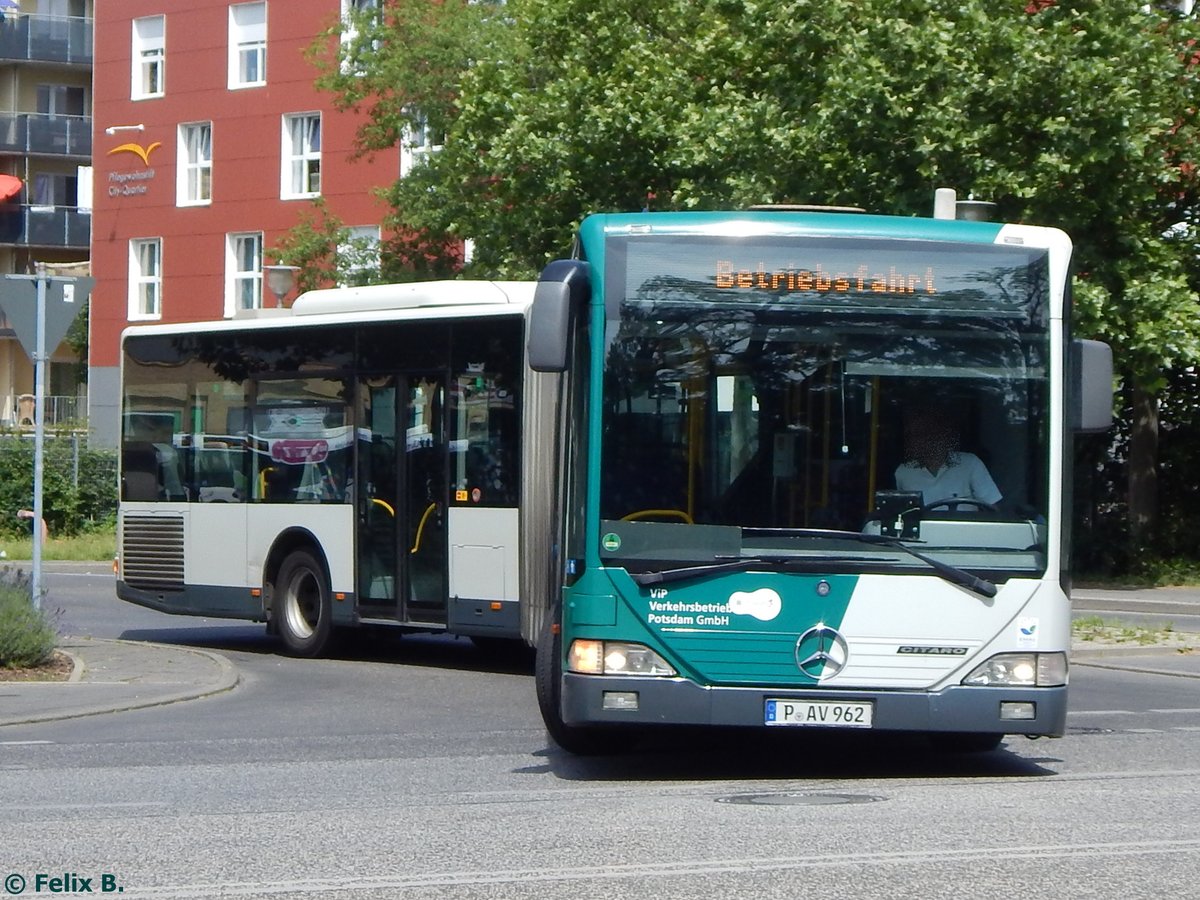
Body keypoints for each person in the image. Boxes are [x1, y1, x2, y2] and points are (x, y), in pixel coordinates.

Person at [894, 407, 1001, 507]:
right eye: (917, 434)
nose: (925, 439)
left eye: (931, 433)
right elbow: (901, 515)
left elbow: (993, 509)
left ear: (945, 436)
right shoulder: (903, 472)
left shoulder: (971, 464)